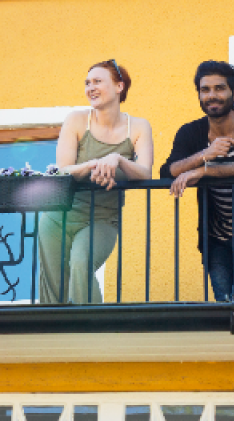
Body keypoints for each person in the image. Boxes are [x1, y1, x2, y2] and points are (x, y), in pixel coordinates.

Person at [159, 61, 234, 302]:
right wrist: (205, 155)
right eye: (205, 90)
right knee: (224, 304)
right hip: (217, 241)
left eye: (219, 88)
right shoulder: (191, 132)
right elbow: (168, 170)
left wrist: (204, 172)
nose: (212, 96)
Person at [38, 60, 154, 304]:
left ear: (119, 86)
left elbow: (145, 173)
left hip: (103, 218)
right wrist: (92, 165)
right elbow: (63, 170)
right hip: (58, 216)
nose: (90, 87)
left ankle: (92, 329)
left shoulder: (139, 127)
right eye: (87, 83)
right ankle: (52, 332)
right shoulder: (77, 120)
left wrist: (117, 159)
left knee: (81, 262)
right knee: (54, 286)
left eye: (97, 81)